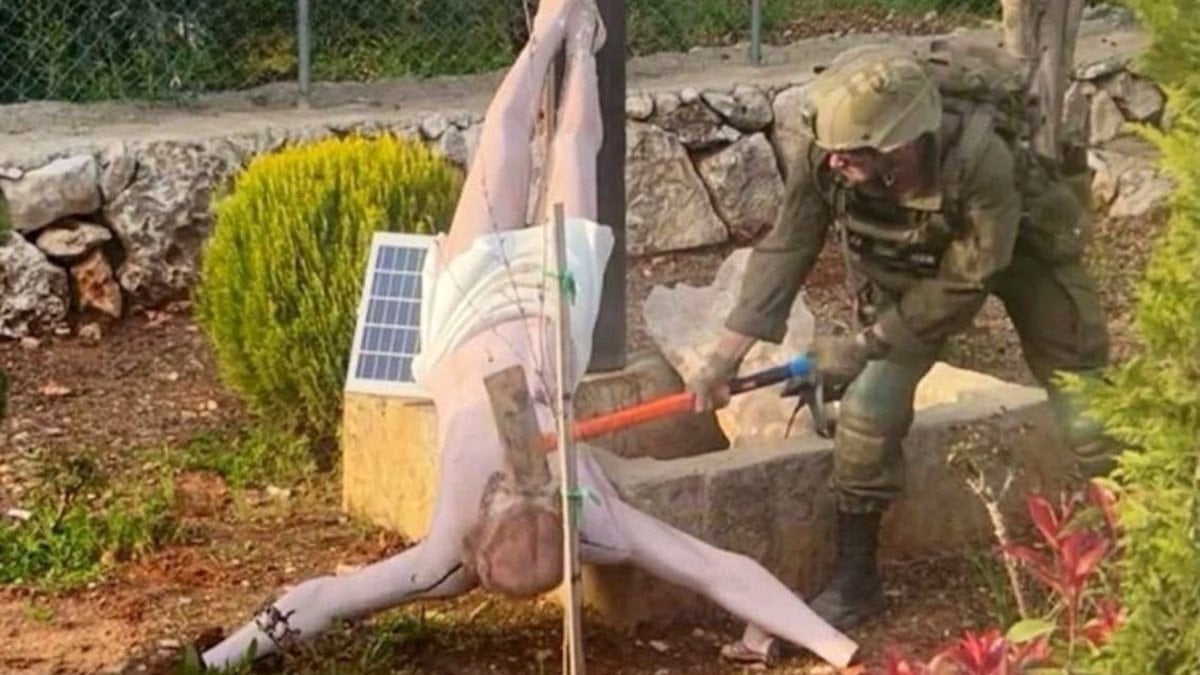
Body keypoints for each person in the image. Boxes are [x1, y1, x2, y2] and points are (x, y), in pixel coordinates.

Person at [192, 0, 859, 670]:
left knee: (512, 143)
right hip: (549, 308)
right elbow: (719, 570)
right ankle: (570, 41)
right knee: (565, 149)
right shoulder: (591, 524)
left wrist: (221, 657)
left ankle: (563, 36)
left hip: (468, 313)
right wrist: (835, 648)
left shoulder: (457, 552)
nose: (519, 477)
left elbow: (325, 597)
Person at [690, 43, 1116, 634]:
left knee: (1081, 393)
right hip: (916, 271)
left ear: (901, 144)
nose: (834, 161)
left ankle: (1134, 534)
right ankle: (856, 581)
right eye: (832, 150)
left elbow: (969, 278)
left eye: (851, 153)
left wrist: (862, 344)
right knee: (869, 409)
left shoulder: (981, 158)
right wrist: (723, 358)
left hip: (1019, 252)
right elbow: (788, 246)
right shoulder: (828, 153)